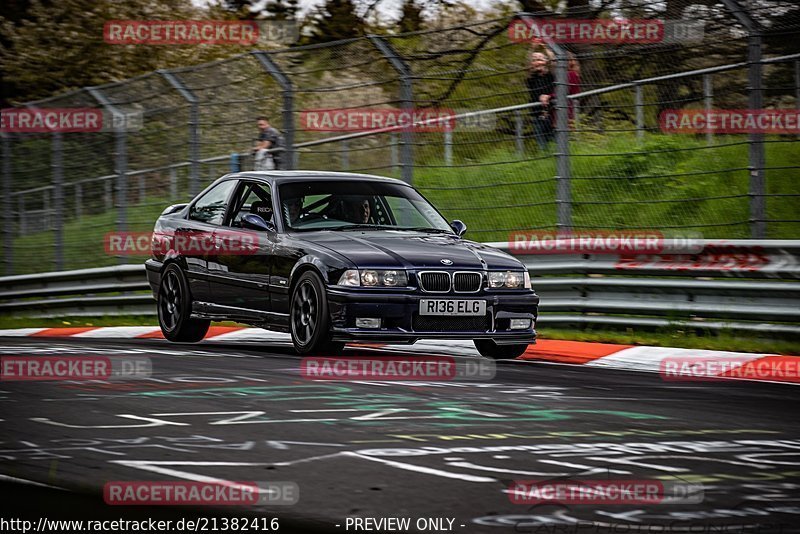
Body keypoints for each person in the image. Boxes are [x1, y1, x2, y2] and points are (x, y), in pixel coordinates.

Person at [525, 50, 555, 150]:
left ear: (546, 61)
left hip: (553, 113)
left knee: (555, 142)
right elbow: (528, 67)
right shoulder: (531, 79)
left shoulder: (550, 76)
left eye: (540, 59)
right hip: (537, 115)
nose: (537, 62)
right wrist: (532, 48)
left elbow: (554, 62)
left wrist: (545, 47)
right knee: (542, 145)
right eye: (534, 60)